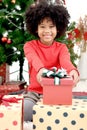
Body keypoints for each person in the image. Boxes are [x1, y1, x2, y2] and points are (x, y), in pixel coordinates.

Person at [23, 0, 79, 121]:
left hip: (56, 91)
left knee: (65, 114)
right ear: (36, 29)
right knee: (26, 111)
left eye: (51, 26)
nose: (47, 31)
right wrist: (41, 70)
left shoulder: (62, 48)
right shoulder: (29, 46)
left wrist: (73, 71)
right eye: (42, 27)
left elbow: (66, 62)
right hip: (35, 93)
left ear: (58, 28)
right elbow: (34, 59)